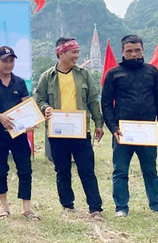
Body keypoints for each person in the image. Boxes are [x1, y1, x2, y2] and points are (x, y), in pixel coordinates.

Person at [34, 37, 105, 220]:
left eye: (78, 52)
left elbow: (92, 100)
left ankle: (95, 208)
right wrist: (45, 108)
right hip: (58, 132)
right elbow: (39, 98)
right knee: (62, 170)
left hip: (81, 131)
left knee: (86, 169)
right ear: (61, 53)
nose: (77, 56)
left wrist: (98, 124)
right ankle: (68, 206)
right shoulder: (47, 77)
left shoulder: (83, 74)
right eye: (73, 52)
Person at [101, 35, 158, 218]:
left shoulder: (152, 71)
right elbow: (106, 104)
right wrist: (113, 128)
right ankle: (121, 208)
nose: (134, 54)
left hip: (148, 131)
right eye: (129, 51)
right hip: (123, 132)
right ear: (122, 52)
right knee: (120, 171)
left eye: (137, 50)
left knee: (150, 170)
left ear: (143, 50)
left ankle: (157, 206)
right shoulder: (114, 73)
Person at [0, 46, 41, 220]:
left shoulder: (20, 82)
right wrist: (0, 117)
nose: (8, 64)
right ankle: (4, 207)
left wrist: (30, 122)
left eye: (11, 60)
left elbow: (25, 104)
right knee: (0, 170)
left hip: (18, 133)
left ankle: (26, 208)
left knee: (25, 169)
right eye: (4, 61)